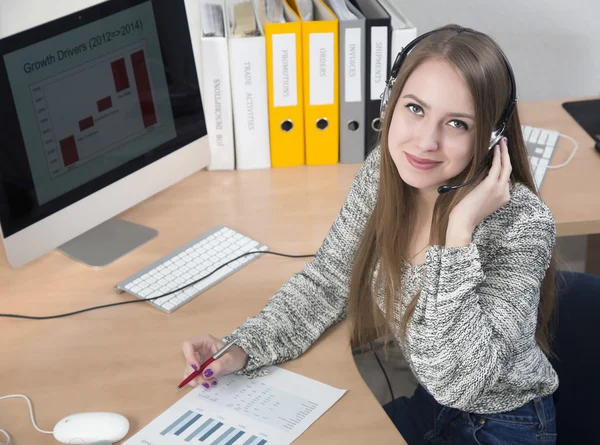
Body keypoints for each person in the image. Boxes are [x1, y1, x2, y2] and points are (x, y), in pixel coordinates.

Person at [181, 24, 559, 445]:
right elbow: (329, 280)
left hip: (502, 423)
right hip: (430, 401)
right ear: (391, 102)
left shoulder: (521, 225)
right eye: (415, 109)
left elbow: (461, 382)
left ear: (491, 137)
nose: (425, 141)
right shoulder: (386, 174)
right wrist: (243, 349)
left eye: (457, 124)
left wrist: (458, 235)